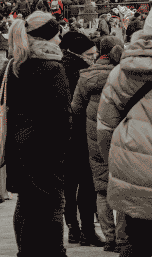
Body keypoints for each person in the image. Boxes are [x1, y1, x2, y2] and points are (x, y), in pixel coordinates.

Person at [2, 12, 71, 257]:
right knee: (52, 206)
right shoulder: (53, 67)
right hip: (47, 150)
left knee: (27, 204)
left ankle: (25, 252)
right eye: (57, 35)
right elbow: (62, 118)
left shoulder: (14, 65)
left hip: (19, 149)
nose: (60, 41)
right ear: (48, 38)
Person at [97, 21, 152, 257]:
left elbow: (105, 128)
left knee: (136, 240)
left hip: (132, 170)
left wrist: (117, 165)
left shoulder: (122, 72)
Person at [72, 35, 125, 252]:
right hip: (120, 135)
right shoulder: (122, 74)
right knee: (123, 186)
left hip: (94, 137)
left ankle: (109, 238)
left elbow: (75, 108)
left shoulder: (86, 76)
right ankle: (123, 239)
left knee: (101, 189)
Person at [60, 31, 102, 245]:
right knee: (87, 183)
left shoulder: (59, 68)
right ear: (78, 53)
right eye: (89, 55)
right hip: (82, 133)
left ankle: (73, 228)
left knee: (68, 185)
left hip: (63, 135)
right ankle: (87, 230)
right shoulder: (82, 73)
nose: (93, 58)